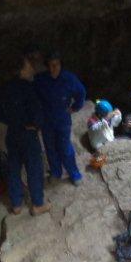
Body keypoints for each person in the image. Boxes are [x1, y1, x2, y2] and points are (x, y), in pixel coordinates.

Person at [0, 57, 51, 215]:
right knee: (34, 167)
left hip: (12, 132)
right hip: (27, 133)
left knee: (14, 167)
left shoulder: (5, 88)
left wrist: (8, 119)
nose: (32, 68)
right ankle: (38, 203)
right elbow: (37, 111)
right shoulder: (28, 88)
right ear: (22, 70)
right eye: (29, 65)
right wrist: (36, 124)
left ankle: (16, 204)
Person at [33, 50, 87, 186]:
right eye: (50, 65)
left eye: (56, 65)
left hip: (62, 118)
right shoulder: (41, 79)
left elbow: (81, 92)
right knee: (50, 147)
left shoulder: (69, 78)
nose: (53, 68)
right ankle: (56, 172)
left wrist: (75, 107)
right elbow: (33, 94)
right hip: (47, 119)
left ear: (60, 65)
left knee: (64, 147)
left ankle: (74, 173)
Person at [86, 99, 123, 168]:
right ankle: (98, 158)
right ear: (101, 114)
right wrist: (108, 117)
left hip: (110, 141)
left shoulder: (105, 118)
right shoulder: (91, 122)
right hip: (100, 145)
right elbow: (98, 127)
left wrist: (118, 115)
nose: (110, 114)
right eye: (108, 113)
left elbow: (115, 123)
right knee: (97, 163)